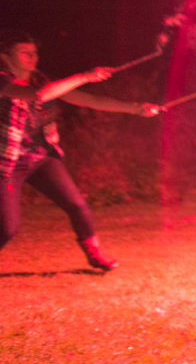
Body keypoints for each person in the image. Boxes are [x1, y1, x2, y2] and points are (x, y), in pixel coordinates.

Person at [1, 30, 163, 271]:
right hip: (9, 161)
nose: (33, 57)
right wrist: (85, 76)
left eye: (34, 52)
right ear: (5, 56)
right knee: (8, 228)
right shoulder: (3, 81)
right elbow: (39, 96)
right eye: (24, 53)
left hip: (42, 157)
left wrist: (136, 108)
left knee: (77, 205)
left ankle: (95, 255)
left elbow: (90, 101)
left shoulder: (42, 80)